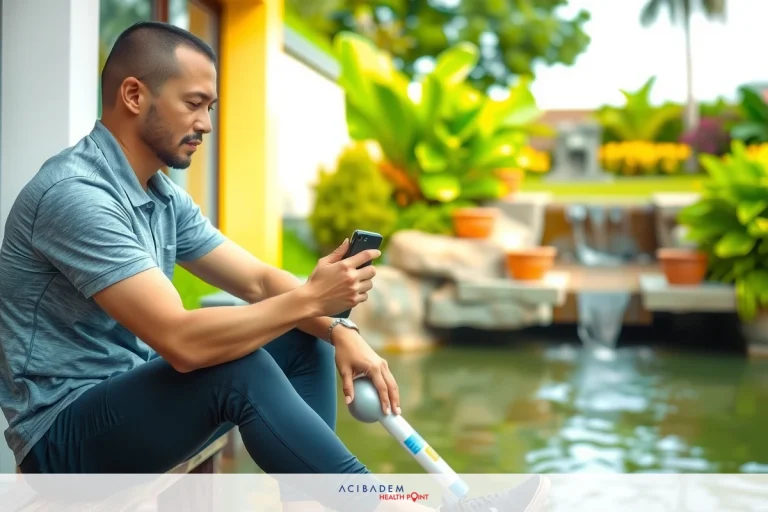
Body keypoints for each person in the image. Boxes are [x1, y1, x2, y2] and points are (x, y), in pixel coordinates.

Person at [0, 21, 548, 511]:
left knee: (297, 337)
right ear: (134, 95)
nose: (206, 124)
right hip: (61, 440)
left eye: (210, 107)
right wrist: (312, 299)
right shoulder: (77, 195)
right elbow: (180, 340)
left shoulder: (159, 197)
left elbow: (260, 280)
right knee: (243, 363)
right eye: (194, 103)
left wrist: (338, 329)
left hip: (127, 402)